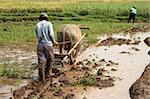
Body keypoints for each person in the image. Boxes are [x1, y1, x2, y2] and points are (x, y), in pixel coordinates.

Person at [35, 12, 57, 81]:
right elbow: (51, 34)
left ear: (40, 19)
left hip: (40, 44)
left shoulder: (37, 25)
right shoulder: (49, 24)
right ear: (46, 18)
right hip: (48, 44)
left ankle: (41, 77)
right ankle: (48, 73)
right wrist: (54, 42)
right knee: (50, 58)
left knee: (41, 61)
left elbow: (37, 35)